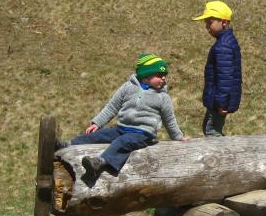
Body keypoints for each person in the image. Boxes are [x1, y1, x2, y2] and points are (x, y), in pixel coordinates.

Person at [64, 53, 188, 185]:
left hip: (142, 134)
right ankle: (68, 145)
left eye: (164, 75)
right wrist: (97, 123)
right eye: (159, 75)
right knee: (99, 134)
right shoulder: (128, 87)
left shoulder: (163, 97)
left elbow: (169, 120)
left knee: (123, 142)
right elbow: (112, 107)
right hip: (121, 129)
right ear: (146, 76)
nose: (163, 78)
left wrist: (178, 137)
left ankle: (100, 162)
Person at [192, 0, 242, 137]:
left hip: (219, 101)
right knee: (209, 128)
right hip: (219, 98)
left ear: (224, 22)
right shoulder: (227, 40)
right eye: (206, 23)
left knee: (212, 131)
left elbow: (225, 77)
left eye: (210, 23)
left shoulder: (223, 46)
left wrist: (221, 103)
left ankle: (225, 151)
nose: (207, 27)